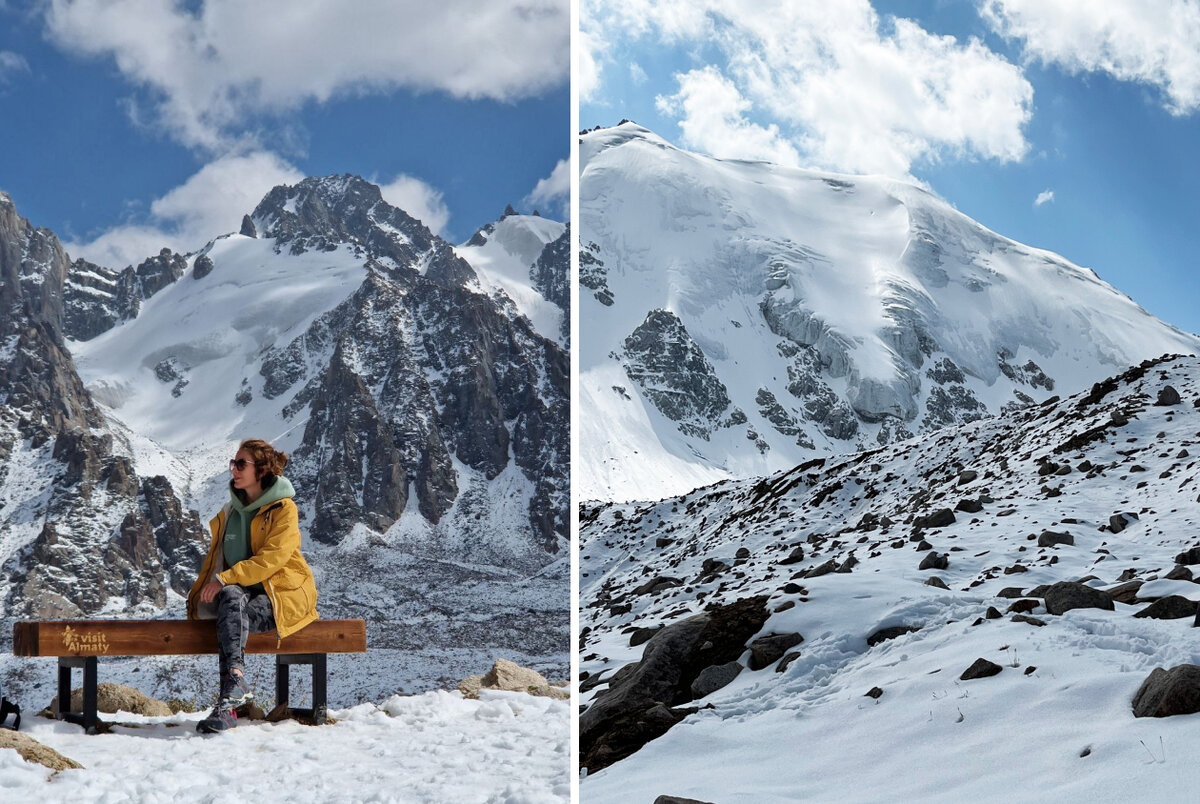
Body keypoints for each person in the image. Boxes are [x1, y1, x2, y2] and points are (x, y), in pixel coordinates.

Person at [186, 438, 318, 733]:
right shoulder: (229, 511)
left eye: (241, 464)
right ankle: (234, 685)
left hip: (279, 598)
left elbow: (272, 558)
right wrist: (213, 586)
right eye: (233, 463)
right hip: (240, 597)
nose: (234, 469)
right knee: (231, 601)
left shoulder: (284, 509)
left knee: (231, 607)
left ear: (262, 470)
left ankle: (227, 707)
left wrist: (224, 579)